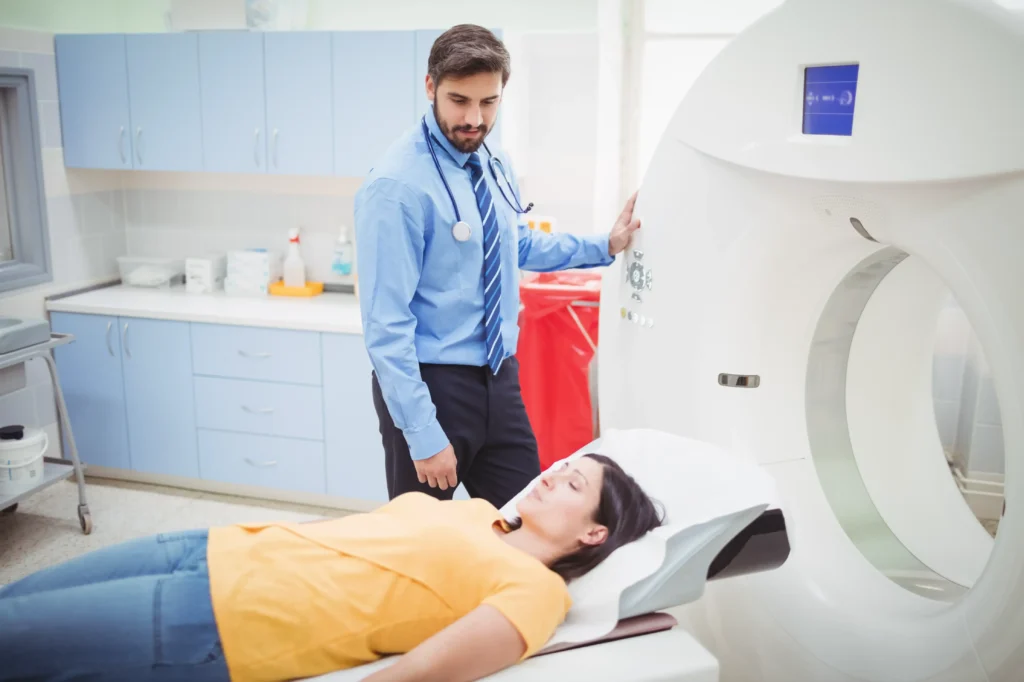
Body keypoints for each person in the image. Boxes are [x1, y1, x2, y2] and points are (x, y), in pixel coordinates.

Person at [0, 454, 663, 682]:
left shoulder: (537, 591)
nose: (552, 476)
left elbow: (422, 671)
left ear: (594, 533)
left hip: (220, 619)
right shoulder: (478, 511)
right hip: (212, 548)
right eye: (561, 467)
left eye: (573, 485)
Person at [354, 24, 642, 508]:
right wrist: (422, 433)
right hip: (431, 383)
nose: (474, 118)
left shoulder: (493, 162)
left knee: (529, 521)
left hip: (500, 378)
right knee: (425, 538)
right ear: (430, 87)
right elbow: (385, 325)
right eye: (459, 101)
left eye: (489, 102)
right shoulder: (396, 187)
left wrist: (605, 245)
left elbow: (516, 246)